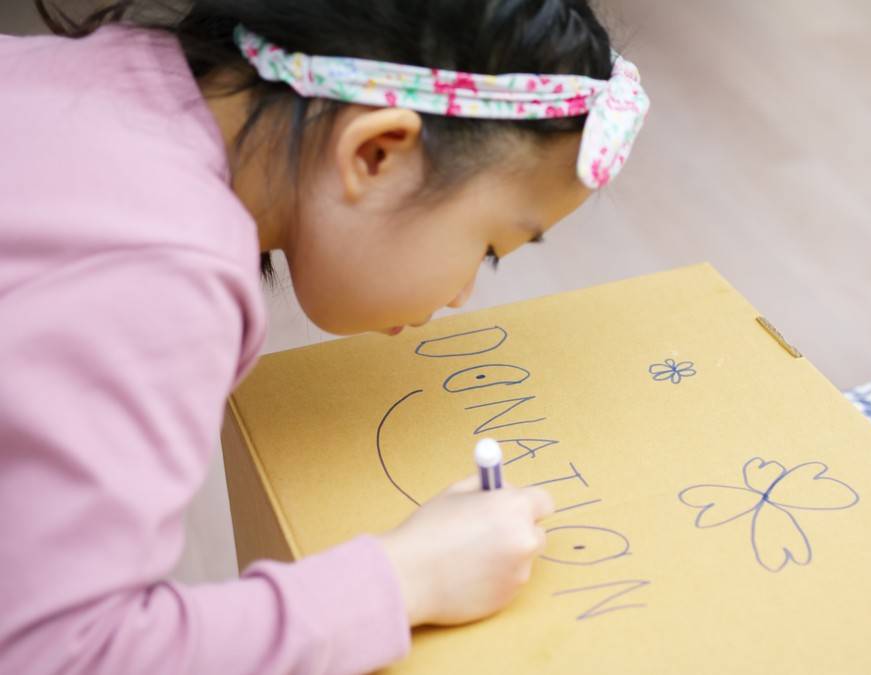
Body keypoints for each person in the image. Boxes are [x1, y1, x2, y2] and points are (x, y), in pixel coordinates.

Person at [0, 1, 648, 672]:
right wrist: (406, 578)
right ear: (374, 154)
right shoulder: (161, 279)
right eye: (487, 249)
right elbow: (61, 653)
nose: (461, 297)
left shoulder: (100, 75)